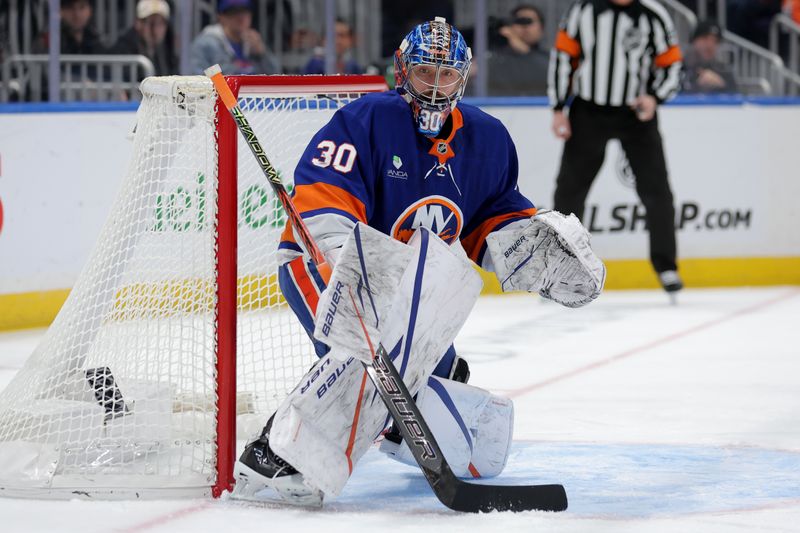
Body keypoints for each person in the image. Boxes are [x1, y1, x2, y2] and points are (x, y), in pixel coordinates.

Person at [229, 18, 605, 506]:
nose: (434, 85)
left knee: (438, 384)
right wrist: (352, 271)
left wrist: (530, 252)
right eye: (425, 71)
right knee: (364, 356)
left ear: (463, 77)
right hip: (323, 260)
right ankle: (273, 454)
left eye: (446, 74)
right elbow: (325, 200)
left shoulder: (488, 140)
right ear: (402, 70)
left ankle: (391, 428)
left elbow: (490, 220)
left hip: (408, 285)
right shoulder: (367, 119)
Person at [548, 0, 684, 294]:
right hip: (588, 111)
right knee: (570, 190)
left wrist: (655, 97)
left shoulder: (653, 14)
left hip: (636, 112)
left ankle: (666, 265)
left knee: (657, 188)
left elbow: (672, 63)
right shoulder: (582, 10)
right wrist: (558, 107)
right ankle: (560, 269)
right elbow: (562, 57)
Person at [189, 0, 279, 75]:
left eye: (245, 11)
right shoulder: (206, 43)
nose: (241, 17)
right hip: (223, 95)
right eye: (233, 12)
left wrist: (262, 54)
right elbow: (198, 80)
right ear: (221, 17)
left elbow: (275, 74)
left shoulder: (254, 41)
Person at [488, 5, 550, 96]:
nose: (525, 27)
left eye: (529, 21)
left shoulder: (549, 58)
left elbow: (550, 74)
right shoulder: (496, 58)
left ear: (541, 29)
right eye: (519, 21)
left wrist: (524, 51)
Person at [109, 0, 177, 77]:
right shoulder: (123, 48)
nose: (155, 30)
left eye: (160, 23)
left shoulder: (167, 46)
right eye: (151, 23)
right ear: (138, 23)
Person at [682, 20, 738, 94]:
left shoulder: (724, 71)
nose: (710, 45)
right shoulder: (678, 67)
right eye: (705, 39)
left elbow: (736, 97)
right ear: (693, 41)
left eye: (715, 41)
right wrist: (696, 87)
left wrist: (721, 85)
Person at [33, 0, 106, 55]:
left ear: (90, 10)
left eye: (82, 7)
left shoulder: (97, 39)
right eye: (69, 8)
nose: (77, 14)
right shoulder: (48, 40)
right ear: (60, 11)